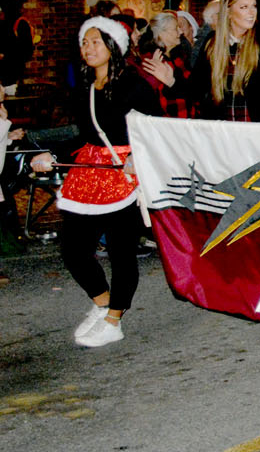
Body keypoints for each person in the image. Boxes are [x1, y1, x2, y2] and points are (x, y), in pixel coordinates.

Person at [30, 18, 161, 347]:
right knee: (74, 249)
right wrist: (48, 152)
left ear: (113, 47)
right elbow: (81, 134)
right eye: (84, 42)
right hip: (90, 172)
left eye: (95, 42)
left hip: (124, 175)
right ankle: (102, 305)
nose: (88, 48)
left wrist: (139, 158)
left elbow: (156, 130)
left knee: (121, 253)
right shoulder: (85, 88)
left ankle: (115, 319)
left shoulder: (135, 86)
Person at [191, 0, 260, 122]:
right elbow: (197, 87)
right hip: (222, 129)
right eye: (244, 7)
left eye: (254, 6)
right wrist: (172, 81)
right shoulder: (213, 43)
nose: (252, 12)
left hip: (257, 128)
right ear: (228, 12)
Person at [138, 11, 195, 118]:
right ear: (161, 33)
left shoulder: (179, 57)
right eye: (175, 29)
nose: (180, 32)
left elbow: (191, 90)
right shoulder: (151, 60)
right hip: (167, 124)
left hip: (186, 119)